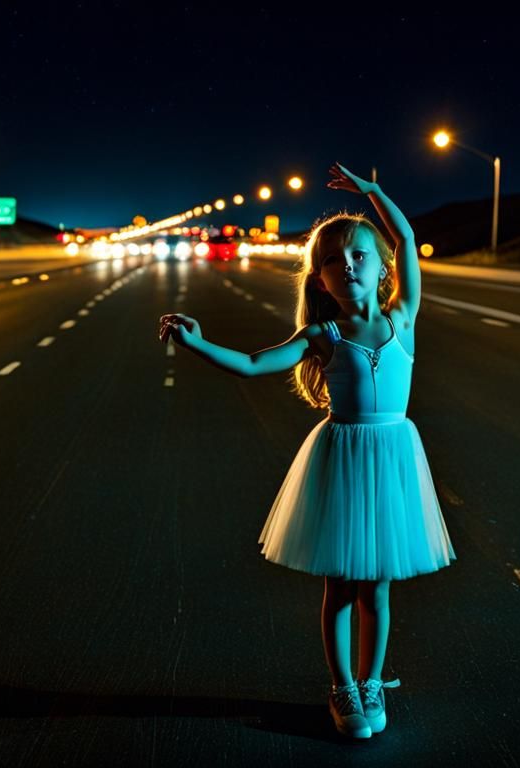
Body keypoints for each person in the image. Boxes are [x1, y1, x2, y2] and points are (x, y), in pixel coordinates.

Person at [158, 163, 456, 739]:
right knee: (340, 584)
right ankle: (343, 687)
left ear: (382, 266)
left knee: (377, 586)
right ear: (320, 280)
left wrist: (373, 191)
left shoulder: (403, 318)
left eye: (359, 256)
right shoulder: (323, 336)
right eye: (334, 261)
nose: (349, 266)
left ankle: (372, 682)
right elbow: (252, 364)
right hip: (344, 457)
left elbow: (406, 237)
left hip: (393, 455)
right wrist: (197, 344)